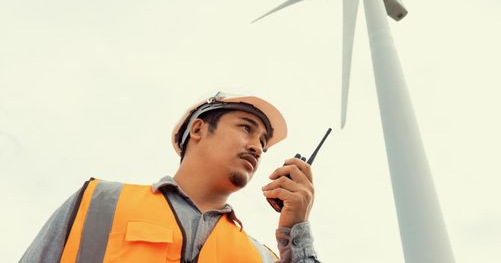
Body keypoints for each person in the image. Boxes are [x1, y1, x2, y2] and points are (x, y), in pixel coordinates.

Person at [20, 92, 320, 262]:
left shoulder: (262, 257)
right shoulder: (98, 201)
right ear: (199, 129)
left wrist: (296, 232)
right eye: (246, 128)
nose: (257, 146)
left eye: (263, 143)